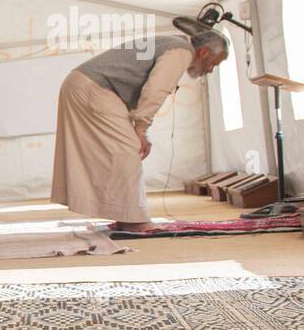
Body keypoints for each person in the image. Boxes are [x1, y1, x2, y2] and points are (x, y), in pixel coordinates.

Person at [51, 31, 226, 230]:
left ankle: (125, 216)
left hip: (84, 84)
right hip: (94, 88)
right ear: (203, 53)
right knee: (129, 149)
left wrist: (140, 130)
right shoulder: (181, 50)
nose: (211, 70)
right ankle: (134, 221)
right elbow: (156, 90)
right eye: (214, 63)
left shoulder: (171, 42)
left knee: (121, 151)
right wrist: (141, 129)